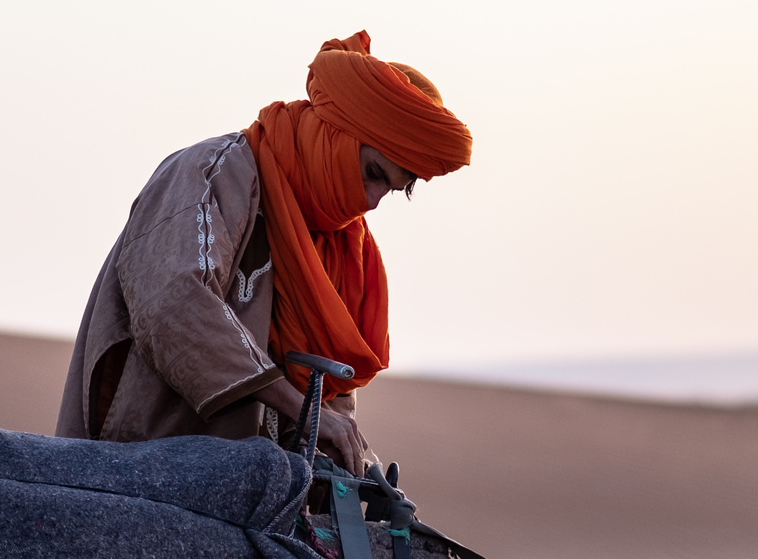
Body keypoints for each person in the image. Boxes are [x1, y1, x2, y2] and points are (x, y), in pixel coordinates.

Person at [56, 31, 472, 472]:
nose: (371, 201)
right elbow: (173, 304)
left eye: (391, 190)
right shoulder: (214, 172)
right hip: (133, 473)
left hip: (244, 500)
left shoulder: (339, 244)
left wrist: (331, 445)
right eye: (372, 172)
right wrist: (300, 409)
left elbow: (325, 388)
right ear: (335, 132)